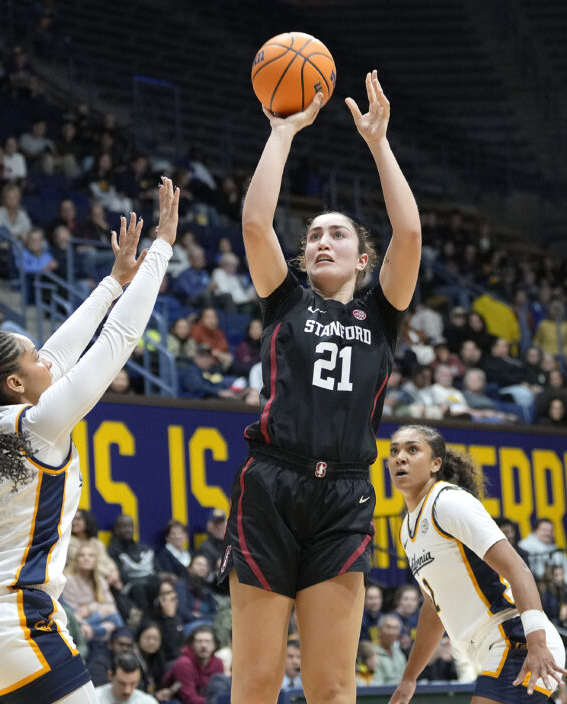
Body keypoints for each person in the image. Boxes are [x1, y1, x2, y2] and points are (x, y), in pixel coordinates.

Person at [0, 180, 179, 704]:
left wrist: (112, 283)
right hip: (8, 616)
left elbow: (58, 356)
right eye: (32, 357)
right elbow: (118, 340)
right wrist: (162, 251)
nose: (46, 358)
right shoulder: (36, 424)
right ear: (15, 383)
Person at [221, 71, 423, 704]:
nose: (323, 241)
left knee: (333, 686)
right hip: (271, 485)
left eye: (338, 234)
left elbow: (409, 234)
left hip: (344, 494)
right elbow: (256, 224)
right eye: (313, 236)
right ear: (303, 259)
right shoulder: (284, 301)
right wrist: (281, 132)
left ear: (363, 259)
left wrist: (379, 144)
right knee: (255, 680)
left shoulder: (382, 313)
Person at [387, 425, 567, 704]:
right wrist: (409, 679)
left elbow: (518, 569)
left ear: (436, 463)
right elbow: (434, 606)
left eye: (412, 449)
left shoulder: (449, 502)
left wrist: (538, 645)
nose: (400, 457)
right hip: (487, 649)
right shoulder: (406, 531)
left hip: (517, 639)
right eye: (394, 451)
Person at [161, 626, 223, 704]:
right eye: (199, 641)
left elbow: (219, 692)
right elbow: (189, 699)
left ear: (215, 645)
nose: (204, 645)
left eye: (208, 641)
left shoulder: (218, 662)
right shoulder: (183, 663)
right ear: (191, 645)